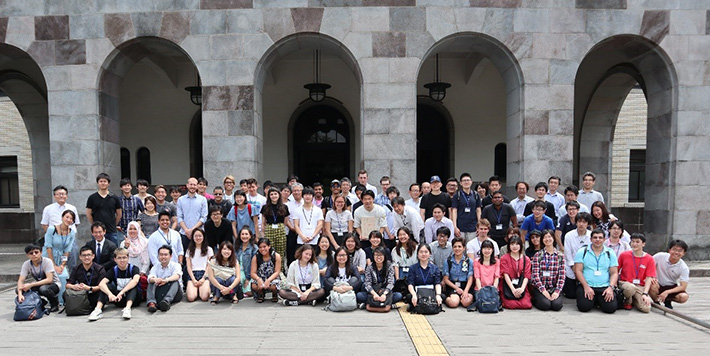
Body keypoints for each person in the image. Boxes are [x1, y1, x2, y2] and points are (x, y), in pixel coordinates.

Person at [89, 248, 141, 321]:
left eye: (124, 258)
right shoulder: (113, 270)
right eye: (119, 258)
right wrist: (110, 294)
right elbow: (101, 284)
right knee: (105, 287)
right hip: (118, 299)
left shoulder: (134, 268)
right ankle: (97, 310)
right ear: (115, 259)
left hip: (133, 299)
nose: (122, 260)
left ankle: (127, 309)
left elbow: (135, 281)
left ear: (128, 258)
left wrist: (122, 292)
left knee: (133, 286)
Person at [574, 229, 618, 313]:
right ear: (591, 239)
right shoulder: (582, 252)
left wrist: (610, 288)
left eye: (600, 238)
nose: (597, 240)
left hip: (604, 286)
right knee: (584, 307)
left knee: (610, 309)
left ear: (604, 239)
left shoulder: (610, 253)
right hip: (587, 285)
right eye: (595, 237)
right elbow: (578, 271)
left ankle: (597, 300)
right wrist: (586, 287)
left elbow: (614, 273)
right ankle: (595, 300)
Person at [43, 209, 77, 303]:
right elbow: (48, 247)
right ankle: (52, 300)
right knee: (53, 276)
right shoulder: (51, 229)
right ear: (62, 217)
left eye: (71, 218)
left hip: (61, 257)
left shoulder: (72, 232)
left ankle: (61, 301)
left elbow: (67, 250)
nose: (69, 220)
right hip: (49, 257)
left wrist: (62, 265)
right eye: (67, 217)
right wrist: (53, 264)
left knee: (64, 276)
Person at [617, 233, 655, 312]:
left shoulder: (649, 258)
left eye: (637, 242)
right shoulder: (624, 255)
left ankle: (634, 299)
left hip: (639, 286)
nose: (634, 244)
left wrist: (645, 293)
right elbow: (616, 270)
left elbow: (649, 278)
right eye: (632, 241)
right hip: (625, 283)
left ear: (643, 244)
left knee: (646, 308)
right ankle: (628, 301)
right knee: (630, 288)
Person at [16, 244, 61, 312]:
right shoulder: (26, 264)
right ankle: (40, 301)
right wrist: (20, 294)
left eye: (36, 252)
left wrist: (31, 285)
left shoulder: (47, 261)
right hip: (38, 284)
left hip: (53, 284)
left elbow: (49, 279)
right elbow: (20, 280)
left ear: (41, 252)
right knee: (19, 289)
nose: (34, 254)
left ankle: (54, 303)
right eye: (31, 253)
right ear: (27, 255)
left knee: (43, 289)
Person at [530, 228, 565, 311]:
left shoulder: (560, 256)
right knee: (545, 305)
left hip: (553, 287)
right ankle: (535, 299)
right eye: (545, 237)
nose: (547, 239)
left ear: (553, 238)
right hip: (540, 287)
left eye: (549, 237)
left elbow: (562, 276)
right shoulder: (538, 255)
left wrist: (557, 291)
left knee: (557, 306)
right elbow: (535, 275)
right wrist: (543, 290)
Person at [358, 246, 401, 312]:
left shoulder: (389, 266)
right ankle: (387, 302)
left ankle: (372, 303)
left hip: (385, 291)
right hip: (374, 291)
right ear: (373, 256)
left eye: (380, 255)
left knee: (398, 296)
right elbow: (368, 283)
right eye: (376, 255)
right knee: (359, 295)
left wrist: (384, 294)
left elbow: (390, 282)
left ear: (384, 256)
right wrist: (374, 294)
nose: (378, 257)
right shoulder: (370, 267)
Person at [650, 239, 690, 309]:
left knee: (684, 297)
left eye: (680, 251)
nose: (676, 252)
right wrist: (652, 276)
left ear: (684, 253)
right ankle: (656, 302)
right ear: (669, 250)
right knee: (651, 283)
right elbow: (648, 266)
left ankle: (668, 300)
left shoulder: (684, 268)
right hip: (657, 284)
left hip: (671, 286)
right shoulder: (659, 256)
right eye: (674, 249)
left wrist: (667, 292)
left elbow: (683, 286)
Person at [66, 246, 106, 312]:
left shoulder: (100, 269)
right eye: (84, 255)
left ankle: (97, 309)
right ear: (80, 257)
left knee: (103, 292)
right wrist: (74, 286)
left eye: (89, 255)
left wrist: (89, 288)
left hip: (94, 293)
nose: (86, 257)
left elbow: (101, 286)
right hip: (81, 294)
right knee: (66, 293)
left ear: (93, 256)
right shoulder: (76, 268)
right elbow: (68, 284)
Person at [86, 173, 122, 246]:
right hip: (97, 231)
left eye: (105, 181)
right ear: (98, 183)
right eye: (101, 181)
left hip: (111, 231)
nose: (103, 183)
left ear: (108, 183)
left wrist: (114, 224)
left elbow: (119, 214)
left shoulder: (114, 197)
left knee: (113, 251)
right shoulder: (92, 197)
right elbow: (88, 214)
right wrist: (94, 224)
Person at [563, 212, 592, 298]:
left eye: (584, 222)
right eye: (579, 221)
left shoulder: (592, 235)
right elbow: (568, 255)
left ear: (588, 224)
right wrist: (575, 269)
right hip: (571, 267)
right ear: (576, 222)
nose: (581, 224)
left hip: (587, 267)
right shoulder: (569, 235)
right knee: (571, 295)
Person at [146, 245, 183, 312]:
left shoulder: (176, 265)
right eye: (161, 255)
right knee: (150, 282)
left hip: (174, 293)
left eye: (165, 255)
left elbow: (177, 275)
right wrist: (155, 279)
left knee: (175, 281)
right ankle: (151, 303)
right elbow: (150, 277)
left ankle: (166, 301)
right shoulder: (155, 267)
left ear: (170, 256)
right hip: (160, 290)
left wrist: (166, 280)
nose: (163, 257)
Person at [407, 244, 443, 312]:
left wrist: (438, 295)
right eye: (421, 252)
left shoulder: (435, 268)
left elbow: (437, 283)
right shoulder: (412, 268)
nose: (423, 254)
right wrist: (414, 295)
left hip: (431, 293)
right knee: (409, 297)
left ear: (430, 254)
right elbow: (410, 284)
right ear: (417, 254)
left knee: (442, 297)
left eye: (426, 252)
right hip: (418, 293)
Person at [499, 235, 532, 309]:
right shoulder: (504, 258)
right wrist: (513, 290)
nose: (515, 246)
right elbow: (505, 274)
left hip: (521, 285)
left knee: (526, 305)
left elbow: (527, 275)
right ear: (509, 245)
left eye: (517, 244)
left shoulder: (526, 259)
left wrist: (522, 289)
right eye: (512, 244)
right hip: (508, 285)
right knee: (511, 305)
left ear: (521, 246)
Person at [260, 188, 290, 269]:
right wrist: (262, 234)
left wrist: (280, 228)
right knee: (270, 251)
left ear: (279, 195)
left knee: (281, 252)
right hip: (269, 228)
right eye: (271, 194)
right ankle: (270, 269)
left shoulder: (284, 207)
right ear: (269, 196)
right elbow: (263, 222)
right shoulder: (265, 207)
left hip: (280, 229)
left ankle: (280, 270)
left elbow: (286, 221)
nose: (274, 196)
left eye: (275, 194)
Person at [177, 177, 208, 253]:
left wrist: (192, 230)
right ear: (187, 185)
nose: (192, 186)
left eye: (194, 185)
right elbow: (179, 217)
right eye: (191, 184)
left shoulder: (202, 199)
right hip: (184, 233)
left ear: (197, 186)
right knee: (184, 256)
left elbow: (204, 217)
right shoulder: (181, 200)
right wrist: (187, 230)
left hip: (198, 234)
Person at [442, 237, 474, 309]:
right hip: (453, 286)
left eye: (459, 246)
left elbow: (470, 278)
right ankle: (445, 298)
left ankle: (461, 299)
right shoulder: (448, 261)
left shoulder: (469, 261)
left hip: (465, 286)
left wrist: (465, 291)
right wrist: (457, 288)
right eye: (455, 247)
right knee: (454, 303)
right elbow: (446, 279)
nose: (457, 249)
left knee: (466, 303)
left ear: (464, 248)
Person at [185, 229, 213, 302]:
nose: (198, 238)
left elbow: (209, 266)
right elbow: (188, 266)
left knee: (204, 297)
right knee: (191, 298)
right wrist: (193, 279)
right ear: (193, 238)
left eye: (200, 236)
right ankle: (196, 289)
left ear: (203, 237)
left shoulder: (209, 249)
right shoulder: (189, 250)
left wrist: (203, 278)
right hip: (193, 274)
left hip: (205, 274)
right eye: (196, 236)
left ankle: (203, 289)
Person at [251, 237, 282, 303]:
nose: (262, 249)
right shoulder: (256, 257)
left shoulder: (276, 256)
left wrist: (268, 280)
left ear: (269, 246)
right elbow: (252, 273)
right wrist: (259, 279)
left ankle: (274, 294)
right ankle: (261, 294)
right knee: (254, 285)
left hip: (273, 277)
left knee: (274, 286)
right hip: (261, 277)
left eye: (264, 246)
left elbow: (277, 271)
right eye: (260, 247)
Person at [235, 226, 257, 298]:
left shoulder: (254, 248)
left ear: (250, 236)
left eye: (246, 234)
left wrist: (248, 278)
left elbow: (254, 265)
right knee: (238, 282)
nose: (244, 236)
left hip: (249, 272)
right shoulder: (236, 247)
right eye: (242, 234)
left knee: (249, 291)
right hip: (238, 271)